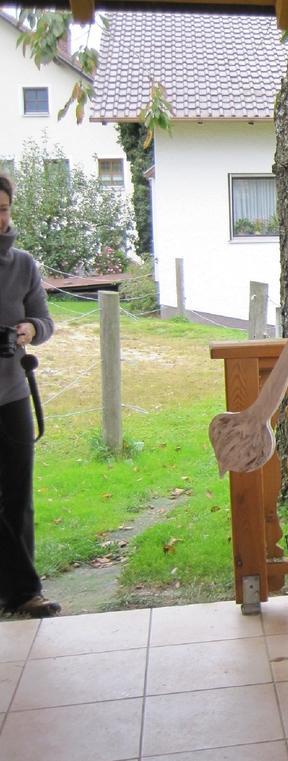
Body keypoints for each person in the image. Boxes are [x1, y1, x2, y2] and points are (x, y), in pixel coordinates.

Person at [0, 173, 59, 618]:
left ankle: (21, 594)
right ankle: (22, 587)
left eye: (3, 209)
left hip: (13, 394)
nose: (0, 219)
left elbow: (44, 320)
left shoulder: (23, 264)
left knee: (19, 496)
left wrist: (29, 329)